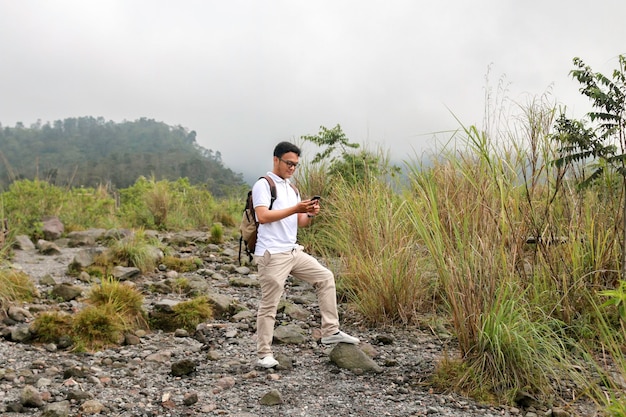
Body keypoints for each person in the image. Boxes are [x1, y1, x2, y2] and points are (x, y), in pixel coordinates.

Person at [252, 141, 360, 368]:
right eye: (288, 163)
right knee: (270, 304)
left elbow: (300, 223)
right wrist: (296, 208)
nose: (292, 168)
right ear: (276, 160)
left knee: (325, 277)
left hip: (293, 251)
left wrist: (309, 213)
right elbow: (262, 216)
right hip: (272, 254)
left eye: (295, 165)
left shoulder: (292, 189)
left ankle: (330, 331)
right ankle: (264, 354)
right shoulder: (264, 184)